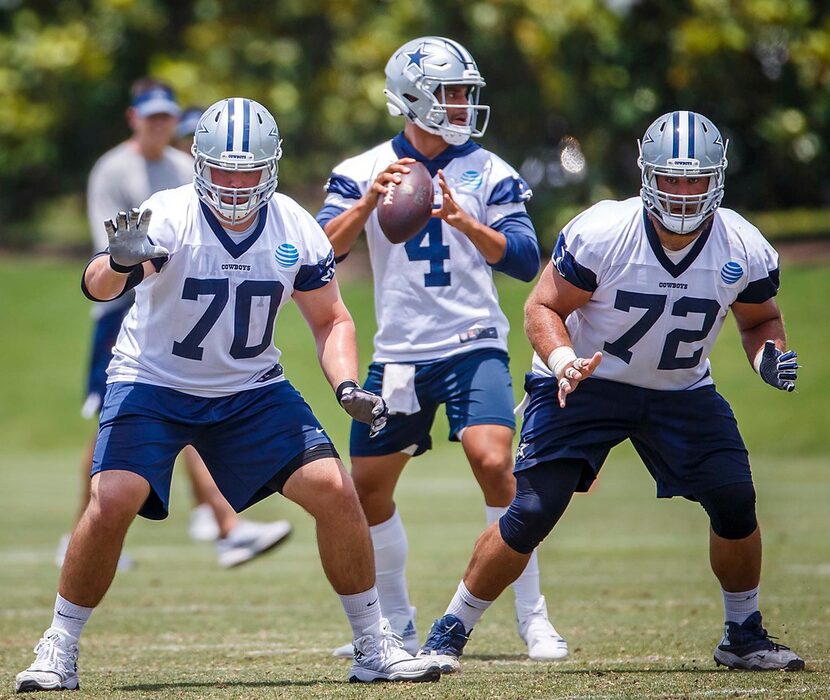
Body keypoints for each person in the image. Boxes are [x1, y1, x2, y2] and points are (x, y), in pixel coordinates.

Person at [16, 97, 442, 693]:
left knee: (334, 490)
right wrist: (118, 261)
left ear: (271, 167)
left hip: (248, 389)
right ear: (199, 165)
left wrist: (345, 383)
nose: (236, 184)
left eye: (249, 170)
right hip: (153, 380)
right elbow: (96, 285)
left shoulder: (294, 225)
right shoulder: (169, 215)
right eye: (223, 169)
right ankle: (58, 647)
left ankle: (374, 644)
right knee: (113, 498)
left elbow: (331, 320)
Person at [418, 110, 805, 673]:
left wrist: (770, 355)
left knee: (734, 498)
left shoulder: (741, 245)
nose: (681, 191)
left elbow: (759, 320)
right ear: (647, 176)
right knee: (532, 509)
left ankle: (743, 635)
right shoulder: (604, 231)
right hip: (585, 381)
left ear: (716, 178)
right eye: (670, 177)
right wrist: (563, 360)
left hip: (680, 390)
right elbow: (542, 306)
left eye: (694, 178)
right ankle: (447, 633)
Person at [316, 36, 568, 664]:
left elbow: (525, 258)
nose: (461, 105)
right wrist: (372, 200)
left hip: (472, 342)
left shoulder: (491, 171)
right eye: (451, 93)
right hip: (398, 352)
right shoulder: (361, 168)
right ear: (411, 97)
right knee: (366, 488)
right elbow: (325, 253)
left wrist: (464, 221)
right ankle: (397, 624)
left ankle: (532, 616)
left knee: (494, 461)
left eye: (464, 93)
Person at [61, 79, 291, 568]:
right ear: (133, 118)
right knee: (119, 418)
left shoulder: (185, 166)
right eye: (152, 117)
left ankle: (219, 521)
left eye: (167, 117)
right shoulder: (113, 169)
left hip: (184, 298)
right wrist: (125, 263)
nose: (160, 125)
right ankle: (89, 529)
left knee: (187, 407)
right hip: (125, 306)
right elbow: (110, 252)